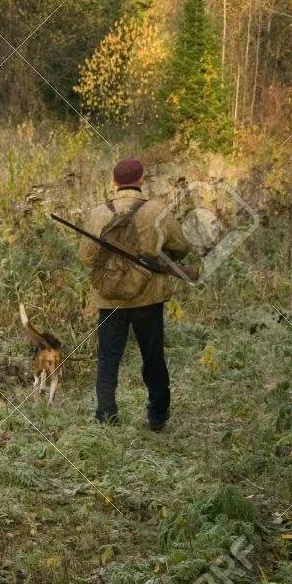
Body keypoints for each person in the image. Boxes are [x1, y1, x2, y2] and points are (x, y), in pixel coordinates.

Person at [79, 158, 194, 431]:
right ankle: (157, 416)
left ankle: (106, 415)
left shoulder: (98, 213)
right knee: (153, 357)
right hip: (148, 297)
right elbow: (180, 248)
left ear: (114, 182)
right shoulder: (157, 210)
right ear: (141, 179)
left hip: (110, 299)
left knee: (108, 358)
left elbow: (86, 257)